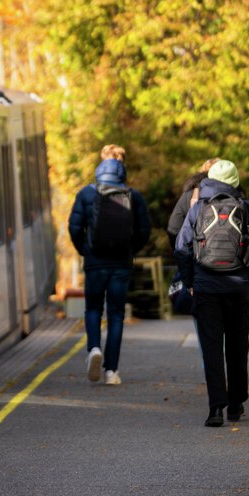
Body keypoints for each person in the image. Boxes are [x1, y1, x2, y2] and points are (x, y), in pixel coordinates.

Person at [175, 159, 249, 427]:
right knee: (237, 346)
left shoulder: (198, 209)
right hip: (239, 287)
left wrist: (190, 280)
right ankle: (236, 403)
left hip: (206, 288)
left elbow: (181, 247)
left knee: (212, 348)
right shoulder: (248, 207)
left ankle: (215, 408)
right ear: (235, 180)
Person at [68, 144, 151, 386]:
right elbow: (144, 231)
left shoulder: (86, 194)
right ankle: (111, 371)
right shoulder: (133, 196)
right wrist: (130, 251)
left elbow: (74, 227)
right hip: (121, 264)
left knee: (93, 309)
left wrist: (85, 250)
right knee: (116, 315)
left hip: (95, 263)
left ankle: (94, 348)